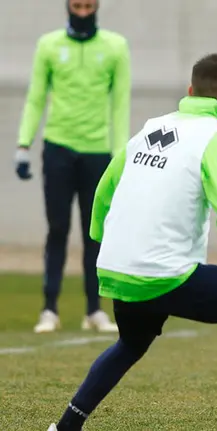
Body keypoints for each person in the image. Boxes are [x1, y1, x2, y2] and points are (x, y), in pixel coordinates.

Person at [47, 53, 217, 431]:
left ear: (190, 90)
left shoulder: (150, 128)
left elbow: (102, 194)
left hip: (116, 270)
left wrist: (102, 240)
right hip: (163, 274)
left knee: (131, 343)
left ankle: (64, 427)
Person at [16, 0, 131, 334]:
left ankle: (94, 310)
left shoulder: (116, 46)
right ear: (68, 6)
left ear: (97, 7)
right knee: (57, 229)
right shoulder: (49, 45)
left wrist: (120, 156)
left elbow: (120, 103)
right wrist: (24, 144)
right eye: (77, 6)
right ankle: (49, 309)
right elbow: (36, 96)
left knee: (94, 232)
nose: (83, 13)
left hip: (98, 153)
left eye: (88, 6)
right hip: (58, 149)